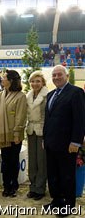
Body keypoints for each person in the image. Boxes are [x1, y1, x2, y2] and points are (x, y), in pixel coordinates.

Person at [43, 65, 85, 215]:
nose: (56, 77)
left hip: (67, 145)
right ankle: (56, 201)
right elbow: (48, 120)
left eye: (59, 75)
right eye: (54, 75)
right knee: (53, 174)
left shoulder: (76, 93)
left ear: (66, 76)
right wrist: (45, 138)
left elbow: (80, 120)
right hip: (51, 143)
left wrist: (76, 142)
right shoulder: (50, 95)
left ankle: (68, 205)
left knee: (67, 176)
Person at [0, 70, 27, 197]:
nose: (2, 80)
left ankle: (14, 186)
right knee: (5, 160)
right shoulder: (0, 95)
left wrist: (16, 134)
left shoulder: (21, 96)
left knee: (13, 162)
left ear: (11, 81)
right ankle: (6, 185)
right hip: (3, 134)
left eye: (4, 78)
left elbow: (21, 117)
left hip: (14, 135)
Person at [26, 71, 48, 201]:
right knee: (32, 160)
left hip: (42, 130)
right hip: (31, 130)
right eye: (33, 81)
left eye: (38, 81)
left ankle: (40, 188)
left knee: (41, 161)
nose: (35, 84)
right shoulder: (28, 95)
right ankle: (33, 186)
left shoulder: (47, 95)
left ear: (43, 82)